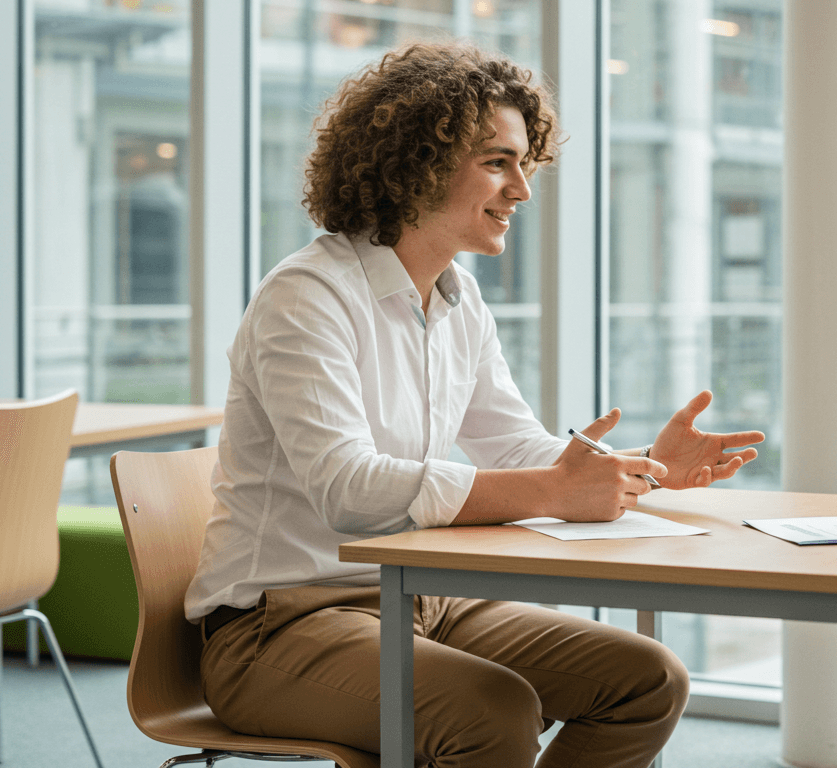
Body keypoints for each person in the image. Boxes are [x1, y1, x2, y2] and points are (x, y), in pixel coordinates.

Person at [185, 41, 765, 768]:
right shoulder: (307, 296)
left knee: (647, 679)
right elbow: (348, 490)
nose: (522, 189)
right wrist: (556, 488)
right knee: (492, 713)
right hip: (279, 626)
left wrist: (639, 469)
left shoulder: (459, 299)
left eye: (525, 163)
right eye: (497, 162)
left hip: (419, 598)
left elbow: (516, 448)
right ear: (414, 164)